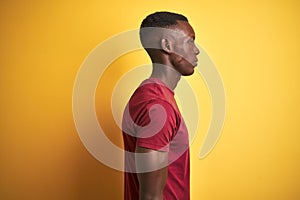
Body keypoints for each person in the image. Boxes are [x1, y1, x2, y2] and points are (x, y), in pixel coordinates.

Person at [122, 11, 200, 200]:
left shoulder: (152, 95)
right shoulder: (158, 106)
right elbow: (151, 197)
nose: (196, 50)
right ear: (166, 45)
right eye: (190, 41)